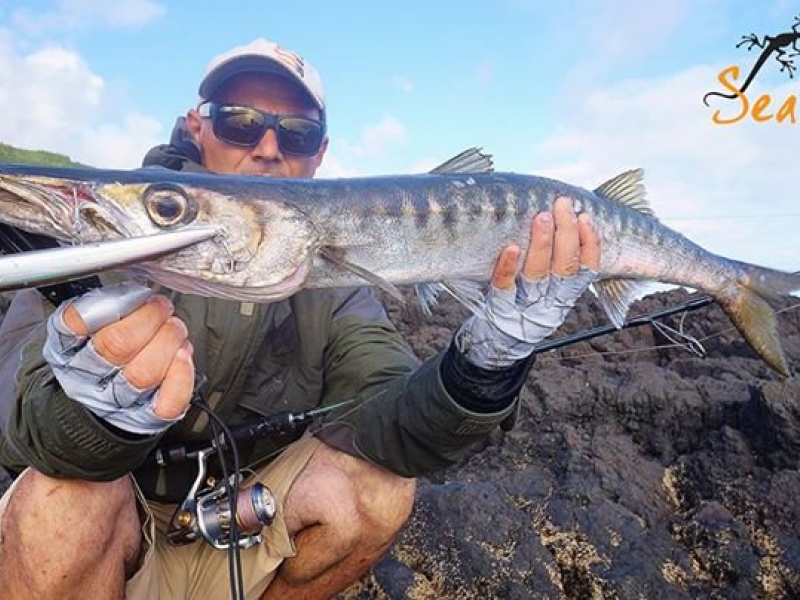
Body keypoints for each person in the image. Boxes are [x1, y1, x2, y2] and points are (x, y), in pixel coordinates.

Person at [0, 38, 601, 599]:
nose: (266, 147)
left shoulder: (336, 289)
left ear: (320, 156)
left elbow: (395, 430)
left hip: (244, 523)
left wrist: (484, 363)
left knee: (377, 489)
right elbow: (9, 413)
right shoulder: (102, 251)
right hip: (115, 534)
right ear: (195, 125)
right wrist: (87, 418)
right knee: (56, 498)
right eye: (239, 121)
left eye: (297, 134)